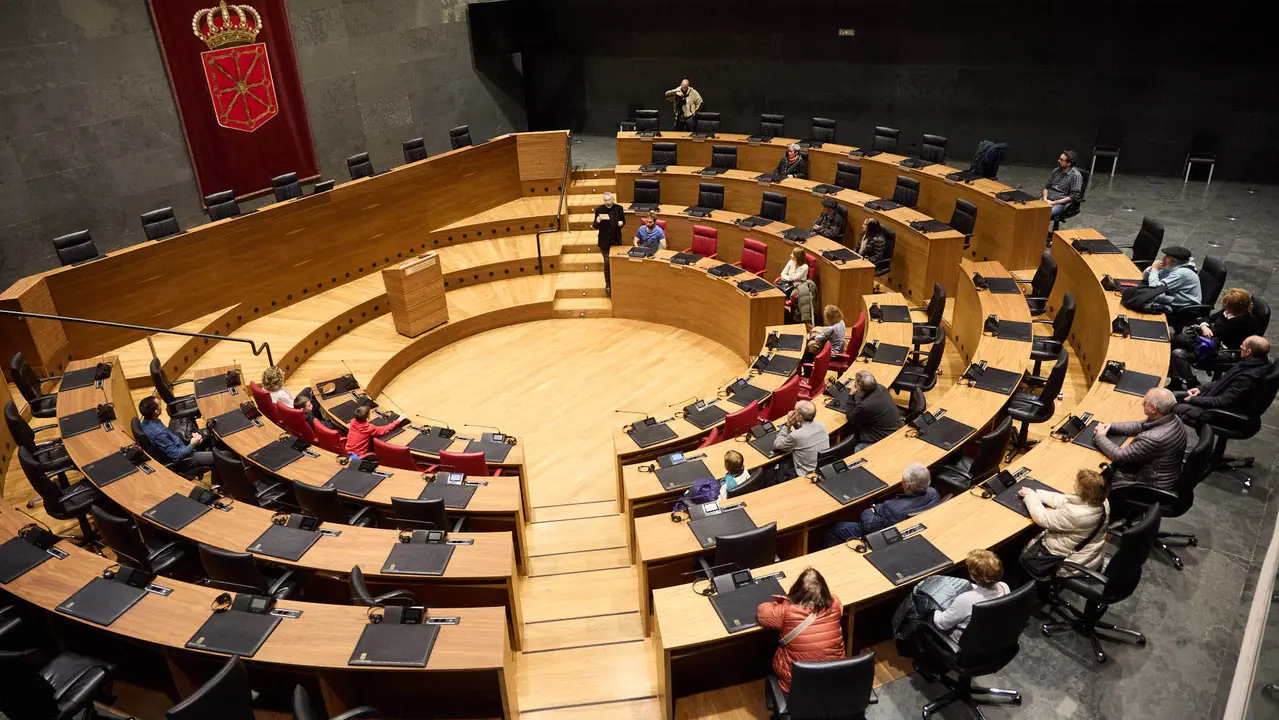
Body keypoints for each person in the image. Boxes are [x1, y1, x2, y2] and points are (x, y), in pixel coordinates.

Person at [756, 567, 845, 693]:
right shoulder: (835, 605)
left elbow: (762, 612)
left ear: (797, 590)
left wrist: (785, 602)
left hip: (797, 685)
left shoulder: (788, 611)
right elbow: (836, 602)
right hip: (833, 677)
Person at [1018, 469, 1109, 579]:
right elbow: (1063, 499)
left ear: (1083, 491)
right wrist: (1036, 493)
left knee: (1022, 547)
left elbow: (1042, 518)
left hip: (1070, 562)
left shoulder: (1076, 514)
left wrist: (1029, 496)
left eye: (1076, 482)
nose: (1074, 483)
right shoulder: (1101, 501)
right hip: (1090, 553)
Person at [1093, 388, 1188, 492]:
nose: (1142, 404)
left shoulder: (1153, 438)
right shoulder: (1172, 418)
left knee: (1096, 478)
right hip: (1167, 474)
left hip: (1149, 485)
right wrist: (1110, 426)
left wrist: (1100, 436)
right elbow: (1140, 425)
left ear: (1153, 409)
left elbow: (1120, 456)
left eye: (1144, 402)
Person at [824, 464, 940, 546]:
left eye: (903, 480)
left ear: (907, 485)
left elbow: (868, 526)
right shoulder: (933, 493)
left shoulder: (892, 509)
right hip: (910, 528)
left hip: (882, 533)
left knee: (835, 529)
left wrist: (869, 510)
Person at [1169, 288, 1259, 388]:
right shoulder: (1228, 312)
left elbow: (1217, 333)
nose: (1223, 303)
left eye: (1226, 302)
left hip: (1226, 352)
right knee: (1175, 342)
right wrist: (1203, 325)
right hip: (1213, 343)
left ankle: (1192, 384)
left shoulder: (1244, 322)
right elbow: (1208, 319)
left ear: (1235, 306)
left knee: (1178, 353)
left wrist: (1204, 326)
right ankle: (1175, 381)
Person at [1175, 336, 1272, 426]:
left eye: (1243, 346)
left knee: (1173, 406)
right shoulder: (1249, 363)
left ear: (1249, 352)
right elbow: (1221, 381)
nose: (1240, 347)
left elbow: (1223, 401)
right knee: (1174, 396)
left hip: (1216, 413)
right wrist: (1200, 389)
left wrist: (1193, 399)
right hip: (1212, 396)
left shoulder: (1247, 377)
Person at [932, 550, 1010, 645]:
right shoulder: (1004, 587)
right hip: (991, 635)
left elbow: (942, 624)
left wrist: (935, 610)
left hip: (964, 642)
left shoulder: (965, 601)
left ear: (973, 576)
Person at [138, 396, 213, 472]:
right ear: (156, 412)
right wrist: (192, 444)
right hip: (184, 458)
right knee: (217, 457)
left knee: (209, 436)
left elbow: (169, 437)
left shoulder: (146, 422)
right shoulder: (158, 434)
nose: (162, 407)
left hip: (180, 445)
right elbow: (177, 456)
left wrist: (192, 436)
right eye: (160, 405)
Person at [844, 370, 902, 451]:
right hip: (895, 430)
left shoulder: (865, 406)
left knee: (855, 450)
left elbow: (850, 417)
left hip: (881, 439)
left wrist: (851, 395)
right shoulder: (881, 388)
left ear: (859, 388)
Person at [773, 400, 830, 480]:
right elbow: (805, 432)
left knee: (772, 469)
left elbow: (777, 445)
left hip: (805, 473)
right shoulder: (821, 426)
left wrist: (787, 425)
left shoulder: (795, 436)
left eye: (795, 411)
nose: (793, 412)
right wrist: (795, 424)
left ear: (800, 417)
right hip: (820, 467)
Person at [1140, 246, 1201, 315]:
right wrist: (1152, 268)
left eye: (1167, 257)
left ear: (1175, 261)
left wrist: (1154, 269)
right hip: (1172, 299)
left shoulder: (1181, 273)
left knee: (1143, 302)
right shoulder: (1172, 266)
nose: (1163, 258)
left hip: (1183, 309)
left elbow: (1155, 289)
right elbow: (1145, 278)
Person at [345, 404, 411, 458]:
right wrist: (399, 419)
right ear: (367, 418)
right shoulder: (369, 428)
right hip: (358, 456)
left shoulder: (352, 422)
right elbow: (386, 429)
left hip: (346, 451)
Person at [592, 192, 626, 294]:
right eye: (605, 200)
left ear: (613, 199)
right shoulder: (599, 210)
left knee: (616, 262)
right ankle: (608, 283)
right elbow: (595, 226)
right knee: (607, 263)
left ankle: (618, 282)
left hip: (615, 240)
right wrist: (597, 221)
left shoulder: (619, 208)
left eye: (609, 200)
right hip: (604, 242)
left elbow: (623, 221)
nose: (607, 202)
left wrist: (621, 223)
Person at [1041, 150, 1083, 219]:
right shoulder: (1056, 171)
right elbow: (1046, 187)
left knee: (1042, 214)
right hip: (1046, 199)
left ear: (1069, 163)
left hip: (1059, 204)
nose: (1058, 160)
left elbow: (1073, 196)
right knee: (1029, 210)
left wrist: (1053, 203)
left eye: (1061, 160)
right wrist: (1045, 199)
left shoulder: (1076, 176)